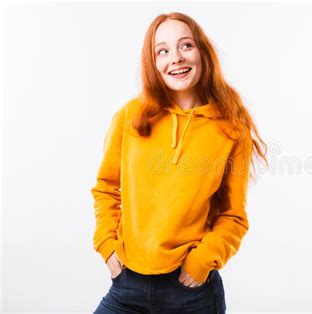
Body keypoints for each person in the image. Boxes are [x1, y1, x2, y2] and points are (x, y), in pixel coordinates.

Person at [91, 12, 268, 314]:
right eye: (163, 50)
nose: (175, 57)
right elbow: (106, 188)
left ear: (202, 51)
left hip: (191, 293)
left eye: (185, 45)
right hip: (127, 284)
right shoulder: (130, 116)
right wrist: (107, 245)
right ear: (153, 62)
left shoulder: (230, 128)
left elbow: (233, 215)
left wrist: (201, 263)